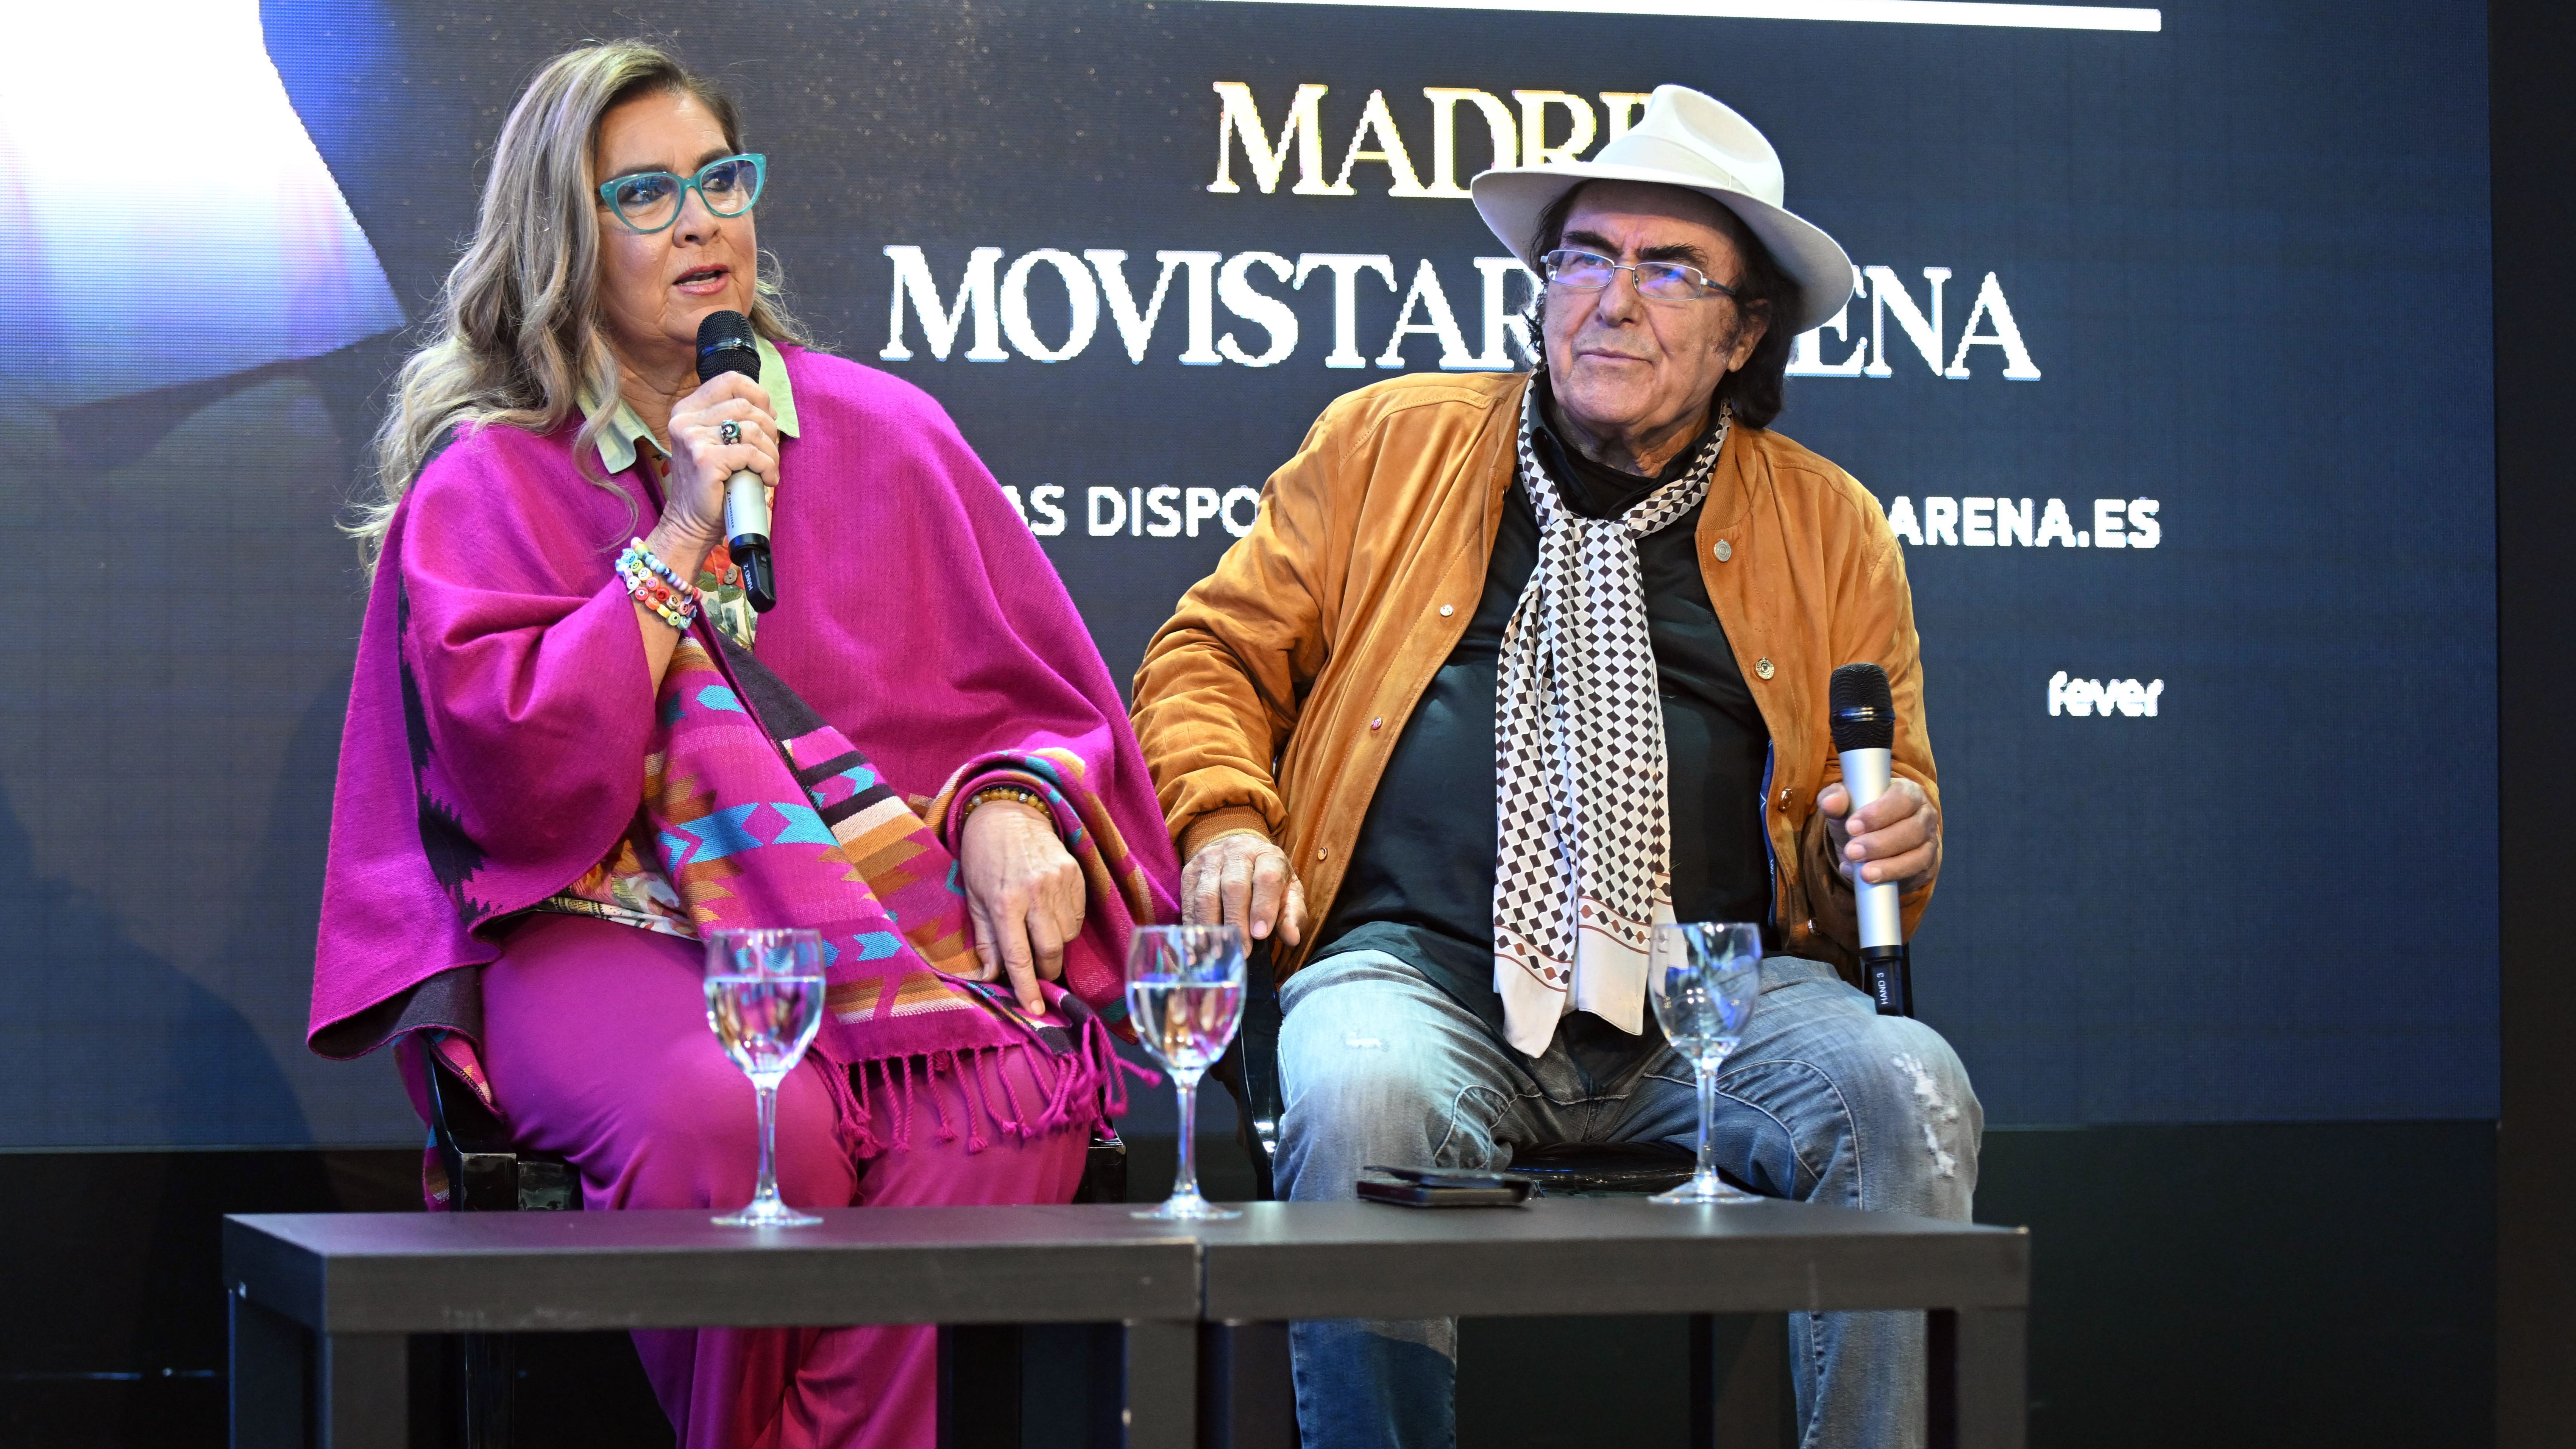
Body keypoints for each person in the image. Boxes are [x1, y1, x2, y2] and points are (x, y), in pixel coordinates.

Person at [307, 42, 1176, 1449]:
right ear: (564, 238)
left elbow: (1036, 701)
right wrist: (677, 539)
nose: (699, 221)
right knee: (737, 1118)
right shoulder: (493, 474)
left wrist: (1016, 799)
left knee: (1007, 1104)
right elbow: (521, 789)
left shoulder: (886, 432)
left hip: (877, 915)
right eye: (643, 195)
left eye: (718, 180)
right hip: (603, 921)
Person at [1130, 85, 1982, 1449]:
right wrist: (1229, 817)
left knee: (1911, 1084)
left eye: (1666, 270)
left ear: (1742, 327)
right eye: (1581, 257)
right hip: (1416, 972)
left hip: (1713, 998)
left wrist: (1878, 843)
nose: (1610, 301)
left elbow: (1876, 825)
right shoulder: (1385, 446)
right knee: (1356, 1088)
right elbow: (1205, 662)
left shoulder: (1831, 525)